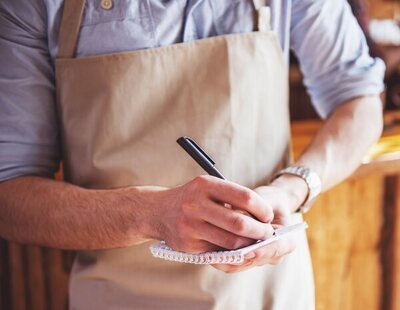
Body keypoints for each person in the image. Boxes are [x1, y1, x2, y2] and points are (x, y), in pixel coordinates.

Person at [0, 0, 384, 309]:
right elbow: (9, 193)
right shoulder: (31, 6)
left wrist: (292, 188)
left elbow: (359, 101)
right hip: (120, 298)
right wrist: (147, 214)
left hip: (271, 294)